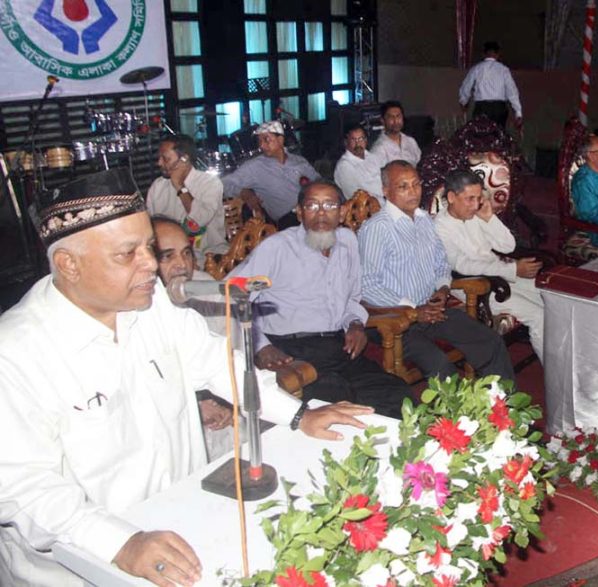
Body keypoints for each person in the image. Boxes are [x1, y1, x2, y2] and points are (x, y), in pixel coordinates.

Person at [0, 169, 372, 586]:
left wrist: (298, 415)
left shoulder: (153, 303)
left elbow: (219, 364)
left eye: (149, 248)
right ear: (68, 264)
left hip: (185, 521)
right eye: (128, 254)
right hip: (85, 565)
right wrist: (121, 543)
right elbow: (24, 487)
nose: (150, 265)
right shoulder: (14, 352)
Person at [228, 180, 413, 419]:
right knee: (341, 401)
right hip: (290, 351)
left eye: (330, 205)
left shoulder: (347, 242)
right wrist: (261, 346)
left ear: (343, 211)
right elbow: (232, 297)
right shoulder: (277, 249)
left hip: (336, 347)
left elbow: (352, 297)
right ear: (299, 212)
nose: (321, 214)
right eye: (312, 206)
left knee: (397, 395)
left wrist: (355, 323)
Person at [359, 160, 515, 381]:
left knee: (490, 342)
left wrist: (442, 289)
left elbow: (442, 263)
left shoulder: (424, 220)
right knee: (442, 367)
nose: (413, 192)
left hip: (432, 311)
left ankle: (504, 410)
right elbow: (368, 287)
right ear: (386, 190)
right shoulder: (377, 228)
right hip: (396, 320)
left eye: (416, 184)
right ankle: (460, 416)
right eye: (403, 187)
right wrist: (414, 310)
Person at [434, 169, 544, 362]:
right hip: (474, 286)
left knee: (550, 299)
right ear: (451, 197)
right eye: (469, 198)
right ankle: (554, 375)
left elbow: (507, 246)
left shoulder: (475, 214)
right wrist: (512, 269)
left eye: (478, 198)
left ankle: (565, 361)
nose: (475, 204)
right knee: (538, 315)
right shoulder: (440, 226)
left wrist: (489, 218)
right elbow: (462, 265)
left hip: (500, 275)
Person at [152, 216, 235, 461]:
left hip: (220, 403)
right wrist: (196, 406)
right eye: (168, 256)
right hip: (168, 424)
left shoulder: (205, 287)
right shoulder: (133, 307)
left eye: (186, 253)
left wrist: (226, 403)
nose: (182, 265)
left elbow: (228, 359)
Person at [146, 134, 227, 267]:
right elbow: (150, 225)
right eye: (159, 158)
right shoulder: (158, 186)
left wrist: (179, 186)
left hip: (208, 254)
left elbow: (199, 219)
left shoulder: (210, 183)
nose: (159, 163)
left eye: (165, 159)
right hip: (169, 256)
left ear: (184, 159)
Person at [221, 120, 320, 228]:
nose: (262, 146)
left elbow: (319, 182)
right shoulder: (255, 166)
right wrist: (245, 193)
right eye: (259, 141)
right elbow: (224, 184)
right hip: (290, 220)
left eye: (266, 140)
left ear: (280, 139)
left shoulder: (299, 161)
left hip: (313, 209)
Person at [458, 41, 522, 130]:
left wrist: (463, 101)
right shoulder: (504, 70)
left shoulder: (476, 69)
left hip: (482, 108)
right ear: (498, 54)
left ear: (484, 53)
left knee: (480, 136)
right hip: (499, 108)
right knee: (498, 136)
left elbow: (466, 87)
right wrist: (518, 113)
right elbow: (512, 92)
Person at [334, 124, 386, 203]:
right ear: (346, 142)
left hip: (387, 201)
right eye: (353, 140)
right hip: (368, 209)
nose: (358, 143)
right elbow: (357, 198)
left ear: (366, 140)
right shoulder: (344, 166)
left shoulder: (372, 157)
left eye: (361, 139)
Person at [370, 101, 422, 167]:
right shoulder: (378, 148)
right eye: (391, 117)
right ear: (382, 120)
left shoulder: (411, 142)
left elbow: (420, 165)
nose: (396, 121)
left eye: (398, 116)